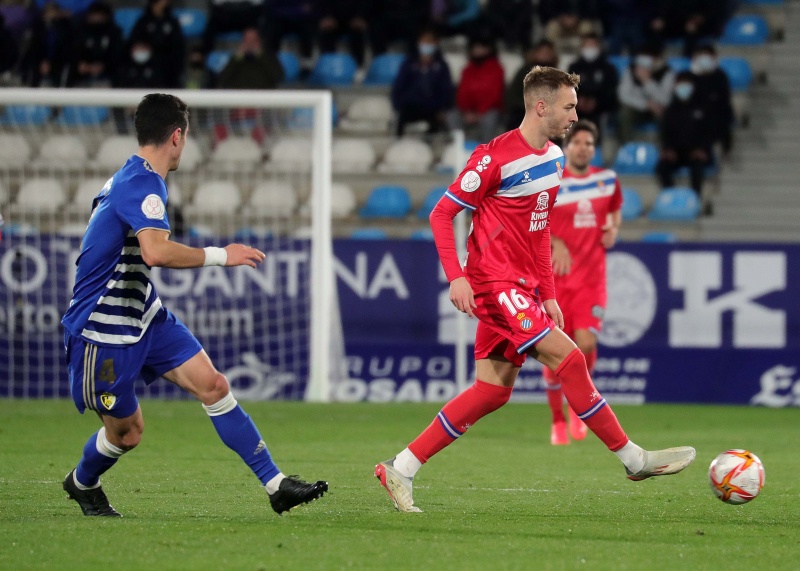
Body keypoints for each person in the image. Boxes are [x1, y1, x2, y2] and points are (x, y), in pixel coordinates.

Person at [374, 66, 695, 512]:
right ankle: (633, 458)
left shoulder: (554, 158)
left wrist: (548, 294)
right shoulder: (493, 158)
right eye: (569, 107)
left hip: (523, 288)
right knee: (570, 358)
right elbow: (441, 214)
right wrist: (457, 276)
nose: (575, 116)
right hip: (494, 283)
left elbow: (539, 231)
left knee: (492, 391)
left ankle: (401, 467)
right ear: (541, 107)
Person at [61, 93, 328, 518]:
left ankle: (276, 485)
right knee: (128, 434)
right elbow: (155, 252)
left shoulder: (132, 178)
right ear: (177, 136)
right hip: (102, 328)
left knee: (214, 385)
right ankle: (82, 481)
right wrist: (223, 255)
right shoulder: (142, 183)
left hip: (143, 313)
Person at [542, 120, 622, 445]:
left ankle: (578, 404)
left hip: (591, 279)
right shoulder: (552, 182)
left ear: (594, 148)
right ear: (567, 146)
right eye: (577, 142)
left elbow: (614, 212)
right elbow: (534, 222)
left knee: (585, 344)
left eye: (588, 143)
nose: (582, 148)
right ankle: (557, 420)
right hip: (556, 280)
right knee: (554, 352)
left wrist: (614, 228)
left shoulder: (607, 181)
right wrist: (556, 242)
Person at [656, 71, 712, 196]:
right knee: (662, 167)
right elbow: (665, 133)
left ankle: (695, 198)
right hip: (676, 153)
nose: (684, 87)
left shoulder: (702, 108)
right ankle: (670, 196)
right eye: (681, 84)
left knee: (698, 167)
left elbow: (708, 132)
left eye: (687, 84)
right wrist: (667, 149)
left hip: (696, 152)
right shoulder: (670, 110)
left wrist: (702, 149)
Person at [390, 27, 455, 137]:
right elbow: (399, 87)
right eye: (423, 41)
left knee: (439, 122)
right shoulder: (408, 64)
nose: (426, 45)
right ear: (418, 42)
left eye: (429, 41)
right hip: (410, 106)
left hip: (434, 108)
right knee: (401, 119)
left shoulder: (442, 66)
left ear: (435, 43)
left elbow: (446, 90)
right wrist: (400, 104)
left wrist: (442, 108)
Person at [449, 34, 505, 142]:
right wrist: (466, 111)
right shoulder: (467, 70)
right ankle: (458, 146)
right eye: (475, 47)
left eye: (481, 47)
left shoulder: (496, 69)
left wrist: (479, 113)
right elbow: (462, 93)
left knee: (489, 119)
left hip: (488, 110)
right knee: (452, 116)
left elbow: (495, 95)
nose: (477, 51)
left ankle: (486, 149)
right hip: (468, 111)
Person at [616, 43, 674, 144]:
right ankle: (627, 146)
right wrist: (646, 104)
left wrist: (647, 81)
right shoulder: (631, 70)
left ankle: (664, 148)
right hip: (638, 108)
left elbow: (666, 100)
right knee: (624, 114)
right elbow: (623, 96)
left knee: (667, 115)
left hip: (659, 109)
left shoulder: (667, 73)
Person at [567, 33, 618, 141]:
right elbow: (569, 88)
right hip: (578, 107)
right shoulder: (574, 67)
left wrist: (596, 102)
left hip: (601, 108)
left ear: (599, 47)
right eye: (587, 45)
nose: (590, 48)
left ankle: (597, 146)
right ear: (582, 47)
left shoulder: (609, 68)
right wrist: (579, 101)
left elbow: (611, 91)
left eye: (592, 45)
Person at [128, 0, 185, 89]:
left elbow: (178, 45)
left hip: (167, 62)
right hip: (146, 61)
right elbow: (134, 41)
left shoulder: (172, 22)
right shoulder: (143, 21)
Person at [505, 39, 558, 131]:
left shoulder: (557, 75)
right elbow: (513, 96)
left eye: (547, 52)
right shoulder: (524, 72)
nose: (544, 55)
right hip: (523, 112)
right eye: (542, 52)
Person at [690, 43, 733, 156]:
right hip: (696, 112)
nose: (704, 59)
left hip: (716, 112)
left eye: (707, 56)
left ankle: (724, 149)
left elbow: (723, 98)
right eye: (701, 56)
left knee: (721, 117)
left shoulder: (720, 76)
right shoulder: (691, 76)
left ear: (713, 58)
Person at [71, 1, 122, 87]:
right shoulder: (80, 32)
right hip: (81, 79)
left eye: (99, 15)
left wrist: (104, 66)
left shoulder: (114, 33)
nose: (96, 18)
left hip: (107, 79)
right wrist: (80, 65)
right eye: (94, 15)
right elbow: (73, 52)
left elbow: (117, 55)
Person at [217, 26, 284, 89]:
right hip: (240, 94)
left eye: (253, 40)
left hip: (263, 94)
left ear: (259, 42)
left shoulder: (268, 57)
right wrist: (236, 59)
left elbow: (278, 76)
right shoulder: (236, 60)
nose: (250, 44)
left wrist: (261, 56)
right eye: (247, 40)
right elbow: (223, 79)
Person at [317, 0, 370, 68]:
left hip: (353, 19)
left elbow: (365, 5)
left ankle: (358, 66)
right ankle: (328, 65)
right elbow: (322, 5)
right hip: (333, 19)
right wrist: (326, 17)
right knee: (326, 33)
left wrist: (361, 17)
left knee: (358, 33)